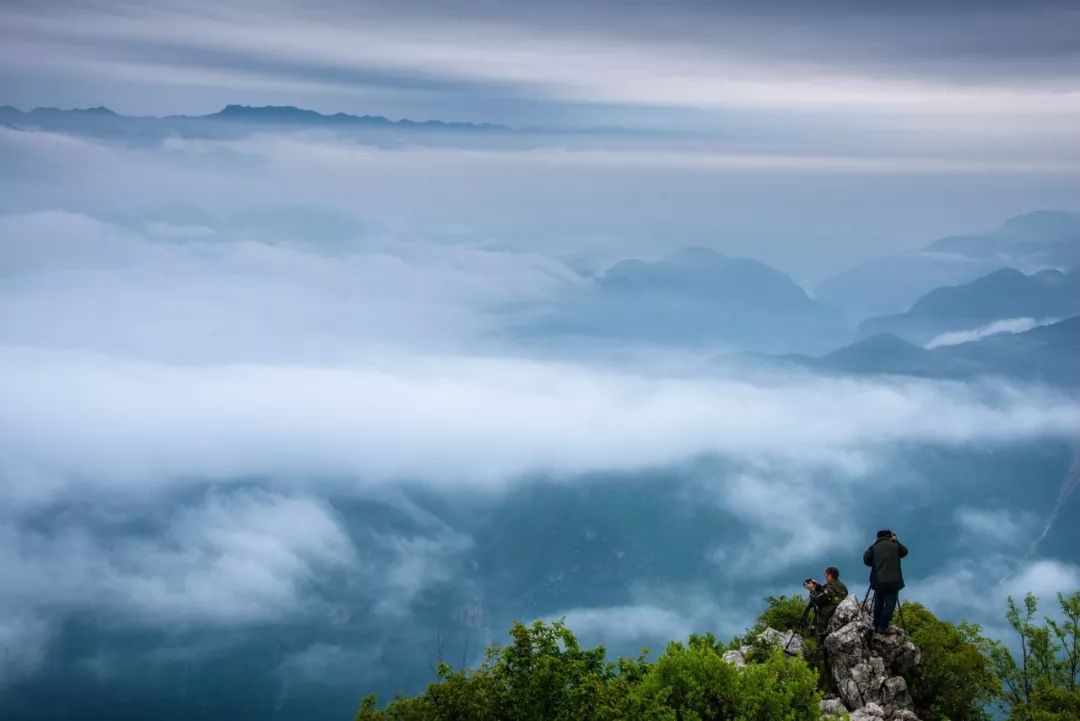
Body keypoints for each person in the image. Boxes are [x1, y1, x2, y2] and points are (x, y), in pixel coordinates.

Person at [864, 529, 908, 634]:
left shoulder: (874, 547)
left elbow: (866, 559)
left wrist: (874, 545)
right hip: (893, 582)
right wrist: (896, 540)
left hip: (878, 582)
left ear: (877, 537)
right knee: (889, 605)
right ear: (890, 536)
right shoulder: (895, 546)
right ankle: (882, 627)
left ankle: (875, 625)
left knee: (878, 604)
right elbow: (905, 552)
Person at [804, 566, 848, 637]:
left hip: (826, 614)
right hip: (836, 611)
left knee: (819, 632)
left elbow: (823, 598)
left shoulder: (831, 586)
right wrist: (817, 586)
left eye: (825, 574)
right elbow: (826, 591)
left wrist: (812, 590)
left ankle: (818, 641)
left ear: (829, 575)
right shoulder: (840, 585)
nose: (824, 575)